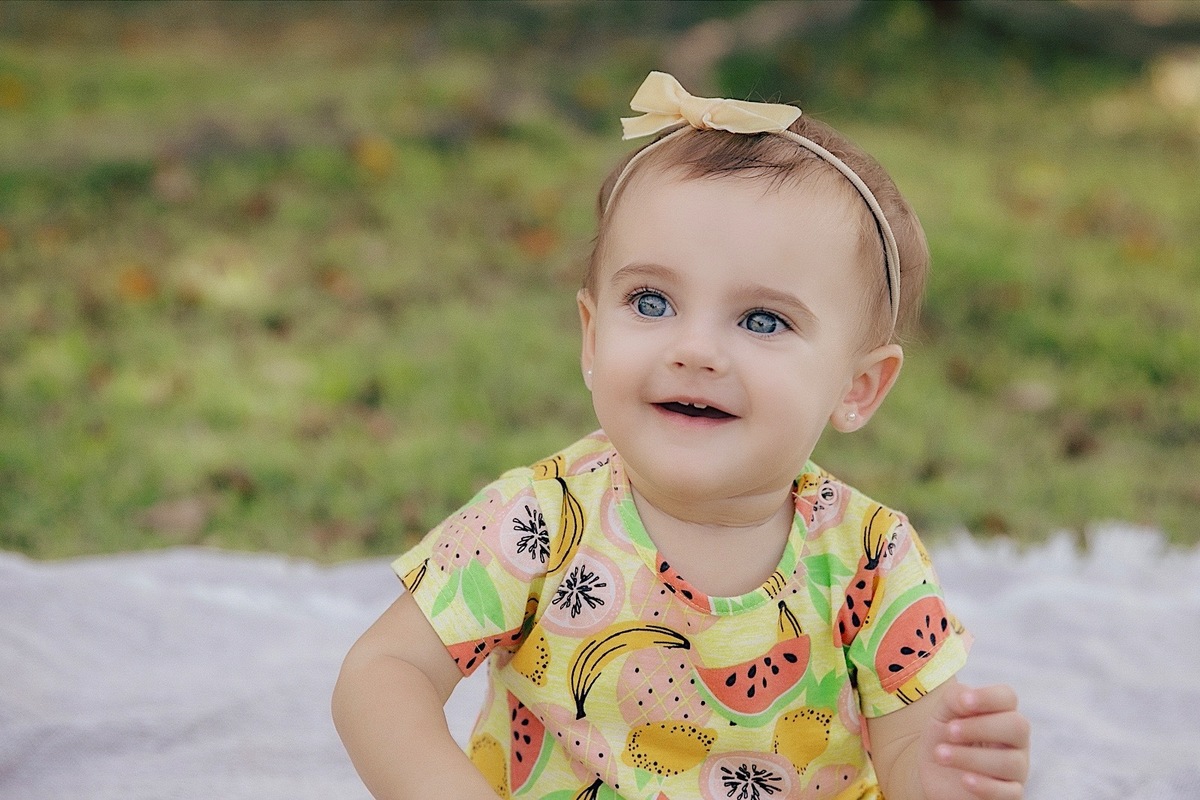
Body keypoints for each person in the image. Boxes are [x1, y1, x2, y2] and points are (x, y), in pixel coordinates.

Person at [332, 71, 1030, 800]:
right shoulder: (537, 521)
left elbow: (909, 747)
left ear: (857, 387)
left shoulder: (872, 560)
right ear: (592, 337)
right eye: (651, 301)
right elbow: (384, 673)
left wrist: (943, 775)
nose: (695, 349)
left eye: (762, 320)